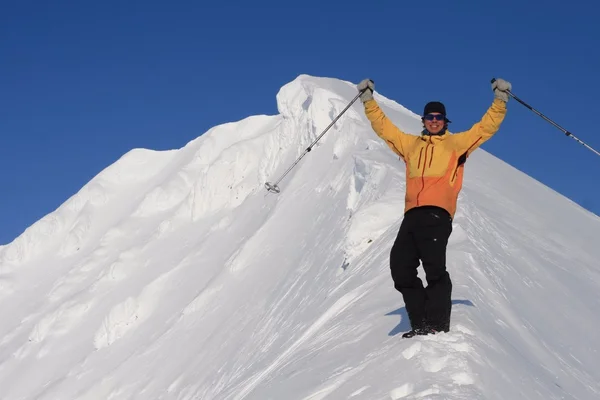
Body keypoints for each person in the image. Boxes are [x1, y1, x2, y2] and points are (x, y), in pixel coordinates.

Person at [356, 77, 511, 338]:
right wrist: (368, 100)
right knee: (400, 267)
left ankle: (437, 325)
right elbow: (384, 129)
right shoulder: (411, 145)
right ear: (424, 120)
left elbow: (485, 128)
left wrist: (500, 100)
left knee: (434, 268)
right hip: (412, 215)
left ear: (445, 120)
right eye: (430, 116)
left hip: (438, 213)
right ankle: (420, 322)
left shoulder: (456, 145)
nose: (434, 120)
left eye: (439, 117)